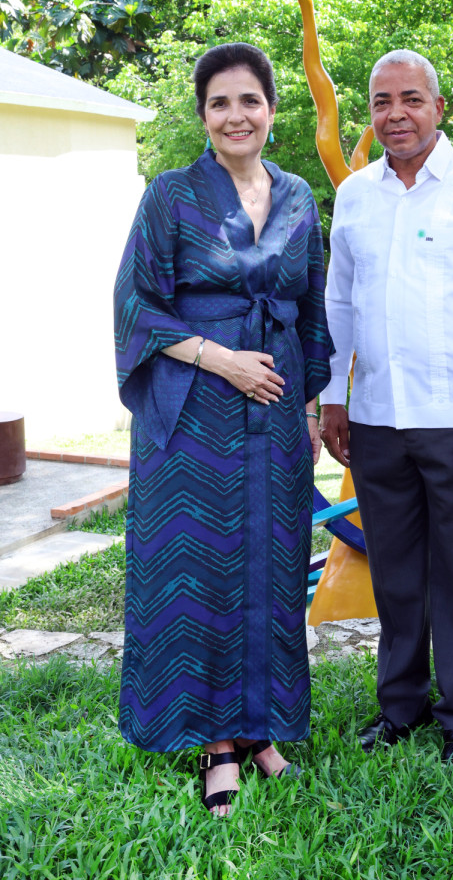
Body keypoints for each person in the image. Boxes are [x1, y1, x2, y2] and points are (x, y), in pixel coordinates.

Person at [114, 42, 333, 815]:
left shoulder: (301, 195)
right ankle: (215, 744)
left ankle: (261, 726)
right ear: (202, 115)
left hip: (274, 413)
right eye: (219, 103)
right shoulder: (171, 197)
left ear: (273, 109)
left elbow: (311, 307)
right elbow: (137, 306)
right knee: (201, 566)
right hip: (193, 409)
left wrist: (307, 407)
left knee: (272, 568)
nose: (235, 116)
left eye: (249, 100)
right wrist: (221, 360)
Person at [319, 49, 453, 770]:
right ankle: (399, 707)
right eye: (382, 102)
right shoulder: (355, 195)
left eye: (411, 99)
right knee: (396, 573)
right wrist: (335, 397)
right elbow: (339, 303)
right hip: (375, 417)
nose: (395, 115)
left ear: (438, 107)